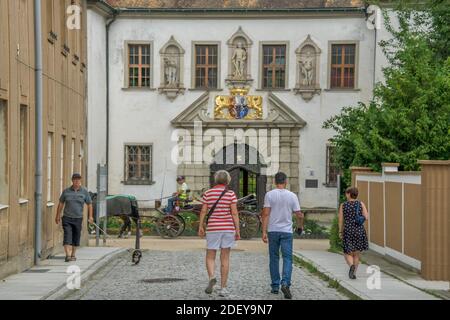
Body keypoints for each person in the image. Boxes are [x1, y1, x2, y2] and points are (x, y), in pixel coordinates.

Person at [198, 170, 241, 298]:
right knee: (225, 258)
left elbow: (204, 211)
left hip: (213, 228)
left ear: (215, 180)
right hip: (228, 228)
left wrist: (201, 226)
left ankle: (212, 277)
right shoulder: (231, 194)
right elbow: (234, 213)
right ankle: (223, 288)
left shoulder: (208, 193)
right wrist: (237, 230)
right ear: (228, 181)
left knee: (210, 255)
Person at [261, 172, 304, 299]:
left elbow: (266, 214)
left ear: (275, 182)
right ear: (285, 181)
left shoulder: (269, 195)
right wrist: (300, 226)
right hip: (287, 231)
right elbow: (299, 214)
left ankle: (275, 286)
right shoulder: (292, 196)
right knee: (287, 258)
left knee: (274, 258)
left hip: (273, 230)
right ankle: (285, 283)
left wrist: (263, 232)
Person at [56, 173, 94, 262]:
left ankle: (73, 254)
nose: (77, 181)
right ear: (72, 181)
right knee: (67, 235)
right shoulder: (66, 191)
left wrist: (90, 216)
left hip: (78, 218)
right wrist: (57, 215)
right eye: (75, 180)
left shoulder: (84, 191)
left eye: (78, 180)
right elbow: (61, 203)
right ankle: (68, 255)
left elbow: (89, 204)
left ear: (80, 181)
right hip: (67, 217)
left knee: (76, 236)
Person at [339, 187, 369, 279]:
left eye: (346, 193)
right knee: (356, 254)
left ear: (348, 194)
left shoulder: (343, 205)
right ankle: (354, 273)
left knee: (347, 252)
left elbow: (340, 220)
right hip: (359, 230)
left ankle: (351, 266)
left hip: (348, 230)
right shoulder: (360, 204)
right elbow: (366, 216)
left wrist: (340, 231)